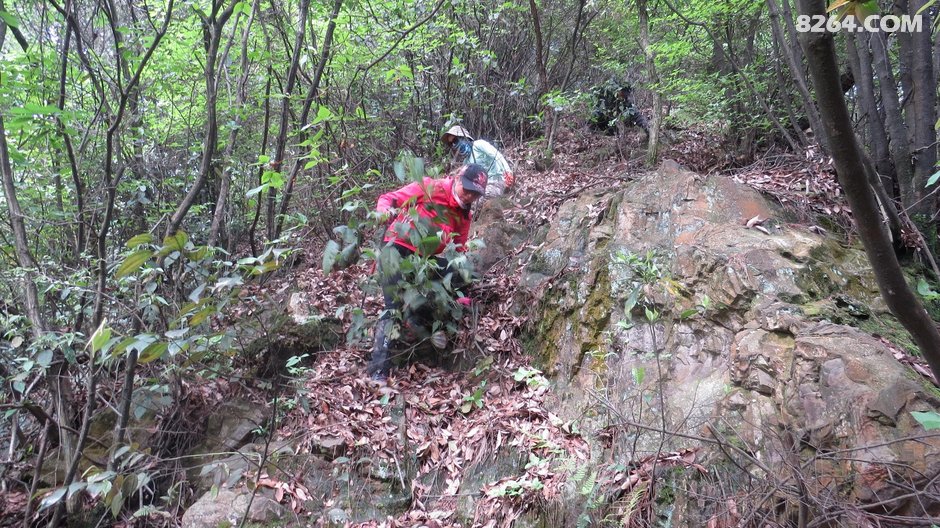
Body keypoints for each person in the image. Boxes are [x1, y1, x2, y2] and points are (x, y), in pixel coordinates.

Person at [367, 164, 487, 380]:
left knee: (463, 270)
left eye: (475, 194)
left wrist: (458, 291)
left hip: (423, 262)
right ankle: (378, 371)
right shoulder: (430, 187)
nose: (469, 196)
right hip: (395, 250)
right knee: (392, 310)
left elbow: (457, 251)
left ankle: (422, 321)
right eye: (467, 189)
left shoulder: (464, 217)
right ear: (458, 179)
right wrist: (383, 213)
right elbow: (389, 199)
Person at [441, 126, 514, 198]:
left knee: (479, 199)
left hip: (498, 182)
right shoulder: (466, 162)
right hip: (483, 188)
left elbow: (496, 155)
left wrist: (507, 171)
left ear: (463, 137)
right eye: (451, 144)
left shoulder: (478, 145)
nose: (454, 145)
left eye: (455, 141)